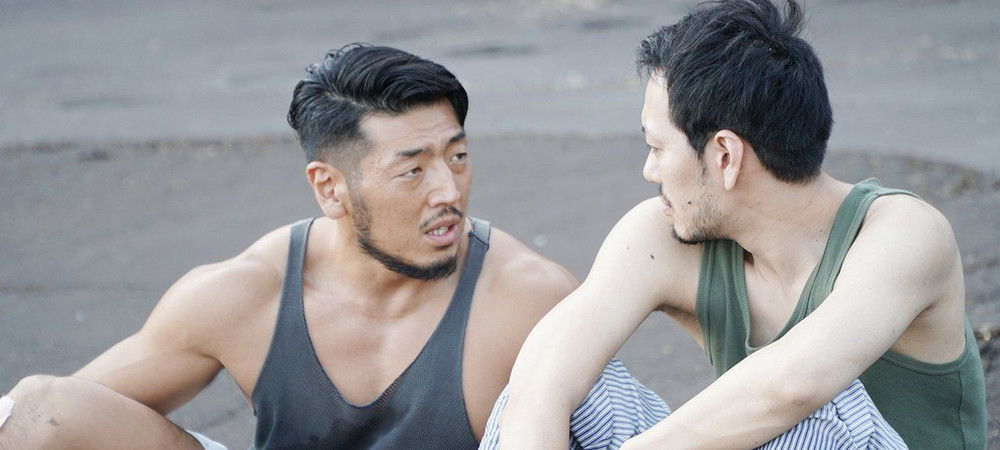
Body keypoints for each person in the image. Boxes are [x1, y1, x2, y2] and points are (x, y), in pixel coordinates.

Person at [0, 44, 577, 449]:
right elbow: (63, 419)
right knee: (34, 412)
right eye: (412, 171)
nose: (449, 191)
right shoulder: (244, 294)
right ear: (330, 188)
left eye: (458, 156)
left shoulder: (530, 298)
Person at [490, 0, 987, 449]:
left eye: (657, 147)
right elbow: (542, 380)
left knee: (813, 413)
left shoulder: (905, 233)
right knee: (556, 386)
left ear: (725, 155)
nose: (650, 171)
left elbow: (795, 386)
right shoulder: (662, 234)